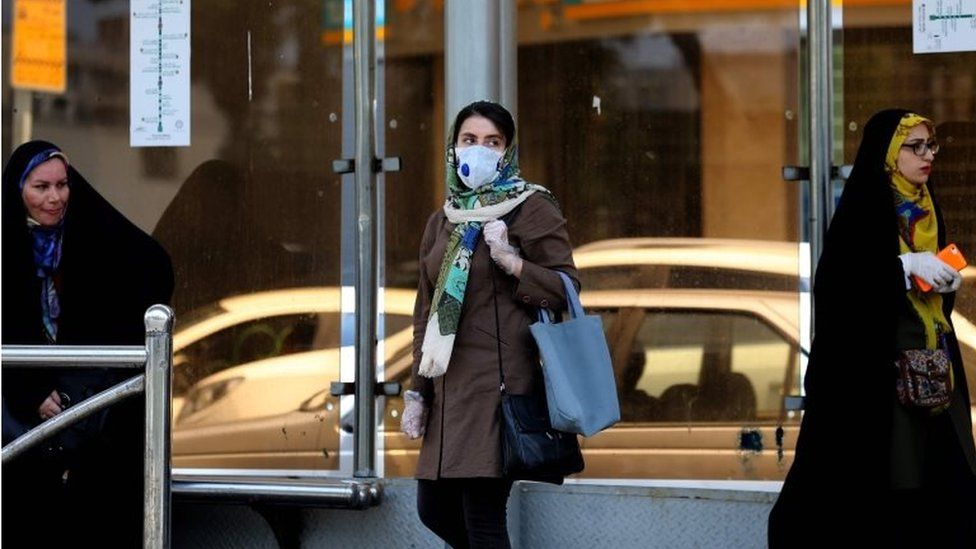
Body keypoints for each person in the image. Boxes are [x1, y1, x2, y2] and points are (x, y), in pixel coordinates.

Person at [768, 110, 976, 547]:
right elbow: (840, 288)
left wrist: (942, 277)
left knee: (945, 481)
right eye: (914, 146)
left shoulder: (925, 203)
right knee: (885, 487)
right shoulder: (867, 207)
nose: (927, 155)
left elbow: (929, 286)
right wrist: (901, 267)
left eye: (931, 146)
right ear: (887, 154)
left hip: (934, 373)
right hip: (878, 381)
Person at [400, 101, 579, 548]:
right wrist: (417, 391)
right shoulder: (443, 219)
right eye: (469, 140)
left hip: (500, 388)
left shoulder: (529, 207)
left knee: (482, 516)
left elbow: (566, 288)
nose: (478, 150)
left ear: (507, 151)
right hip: (448, 390)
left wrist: (514, 263)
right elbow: (426, 311)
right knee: (434, 509)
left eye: (492, 142)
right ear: (454, 146)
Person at [2, 140, 174, 547]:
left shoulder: (91, 237)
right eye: (40, 187)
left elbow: (153, 268)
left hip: (86, 420)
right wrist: (28, 391)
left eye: (62, 185)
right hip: (18, 433)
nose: (54, 198)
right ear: (17, 190)